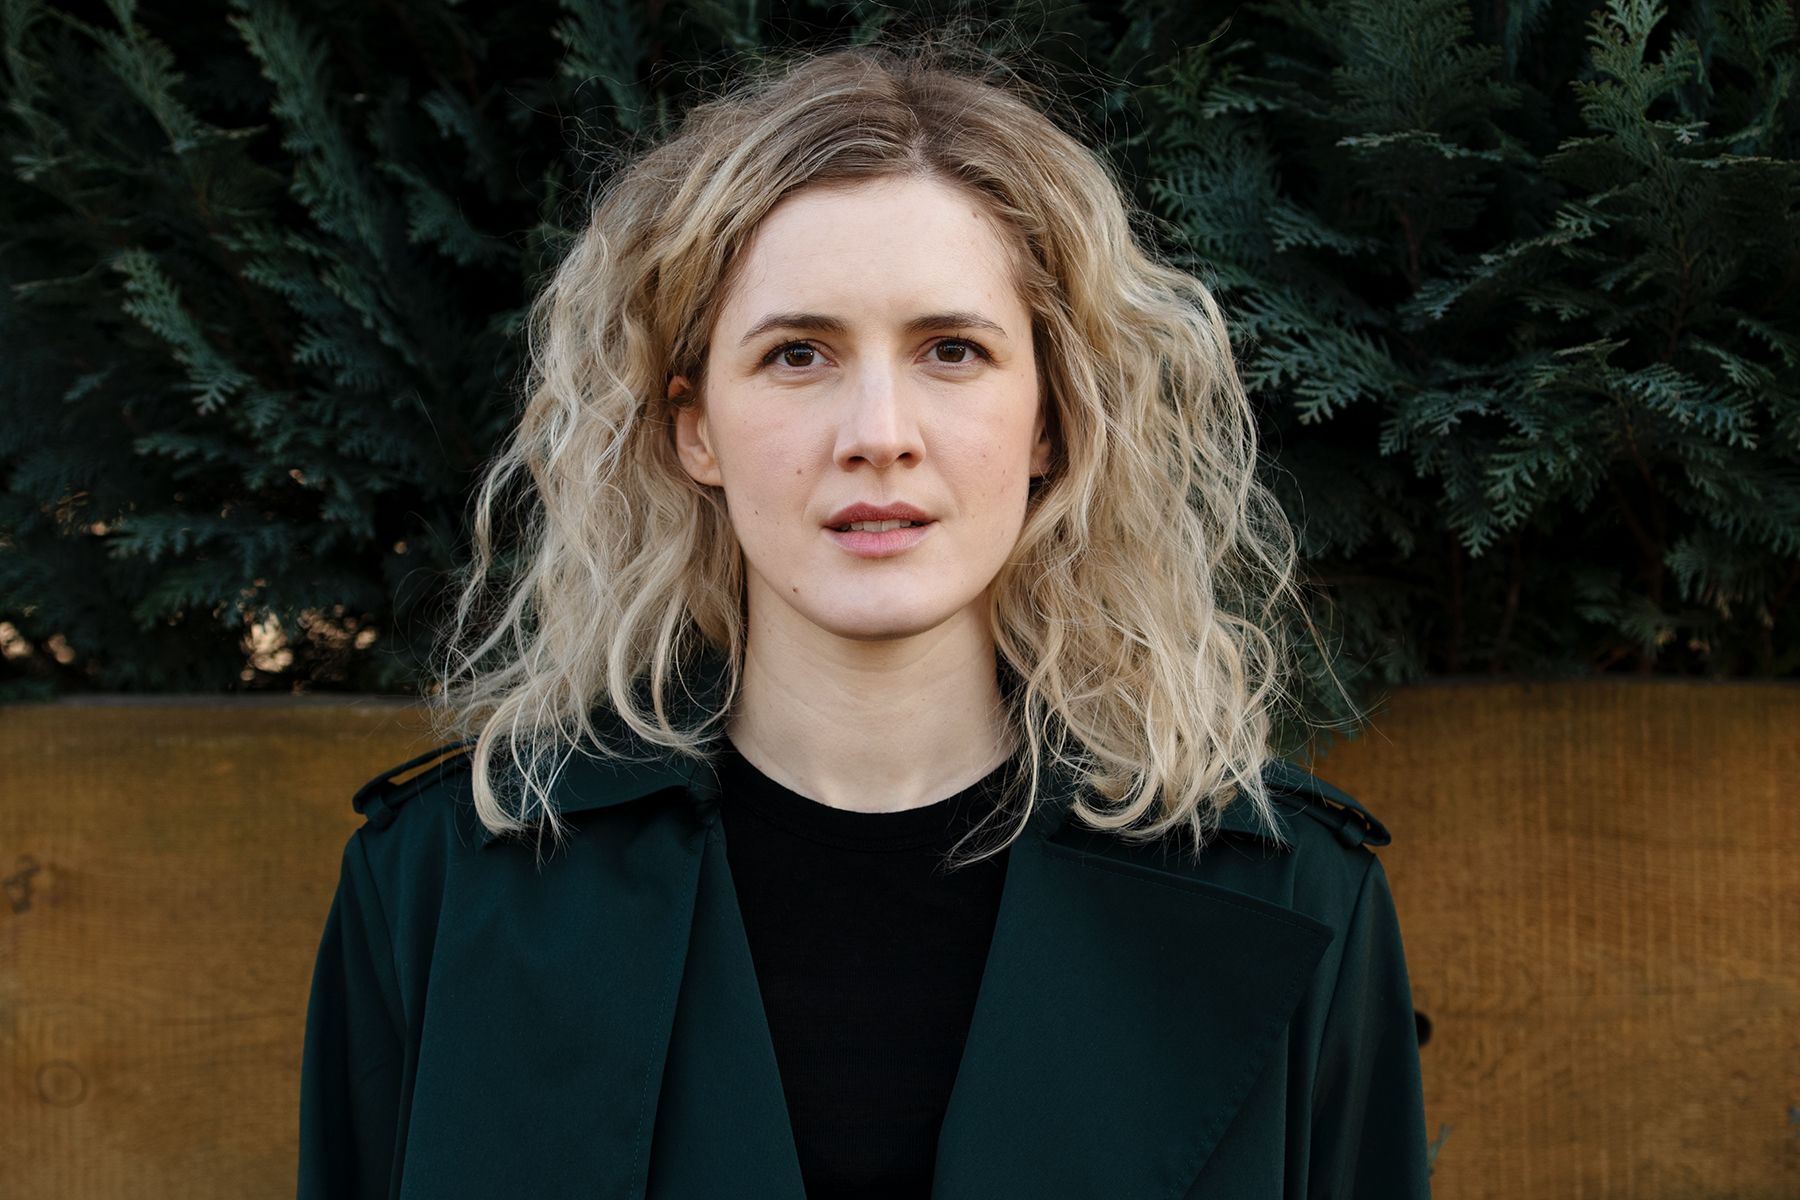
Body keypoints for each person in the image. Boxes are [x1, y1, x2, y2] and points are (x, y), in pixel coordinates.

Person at [297, 37, 1433, 1200]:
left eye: (953, 350)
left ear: (1051, 419)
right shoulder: (442, 891)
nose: (878, 433)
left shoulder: (1290, 896)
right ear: (696, 430)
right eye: (798, 354)